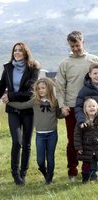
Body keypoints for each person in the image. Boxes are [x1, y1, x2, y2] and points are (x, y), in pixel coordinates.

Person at [0, 42, 41, 185]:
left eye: (20, 50)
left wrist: (10, 96)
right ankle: (15, 174)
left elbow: (29, 93)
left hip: (28, 111)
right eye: (15, 50)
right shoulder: (8, 68)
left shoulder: (33, 69)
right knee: (17, 142)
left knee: (27, 143)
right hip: (13, 111)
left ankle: (23, 173)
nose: (17, 53)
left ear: (25, 53)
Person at [56, 30, 98, 181]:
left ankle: (91, 171)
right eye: (72, 46)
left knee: (94, 141)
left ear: (83, 43)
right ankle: (72, 171)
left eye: (77, 45)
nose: (75, 49)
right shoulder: (65, 63)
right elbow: (59, 87)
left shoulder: (93, 60)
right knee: (74, 141)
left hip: (94, 108)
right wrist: (62, 106)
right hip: (73, 108)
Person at [7, 78, 63, 184]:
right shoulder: (35, 101)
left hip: (52, 134)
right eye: (38, 89)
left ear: (49, 88)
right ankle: (44, 171)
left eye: (43, 88)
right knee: (40, 160)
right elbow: (22, 106)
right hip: (40, 135)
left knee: (50, 157)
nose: (41, 90)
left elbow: (59, 115)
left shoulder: (55, 101)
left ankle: (49, 178)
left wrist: (64, 113)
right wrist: (9, 102)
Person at [74, 63, 98, 180]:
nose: (97, 75)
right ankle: (89, 175)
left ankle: (93, 174)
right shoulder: (84, 90)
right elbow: (78, 107)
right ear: (90, 74)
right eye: (95, 73)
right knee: (90, 152)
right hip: (89, 125)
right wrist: (81, 120)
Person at [74, 98, 98, 183]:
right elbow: (77, 135)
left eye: (93, 106)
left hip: (96, 147)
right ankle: (85, 178)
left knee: (94, 163)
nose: (92, 108)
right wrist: (78, 147)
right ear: (85, 109)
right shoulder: (82, 121)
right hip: (85, 147)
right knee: (86, 164)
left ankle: (93, 177)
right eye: (89, 106)